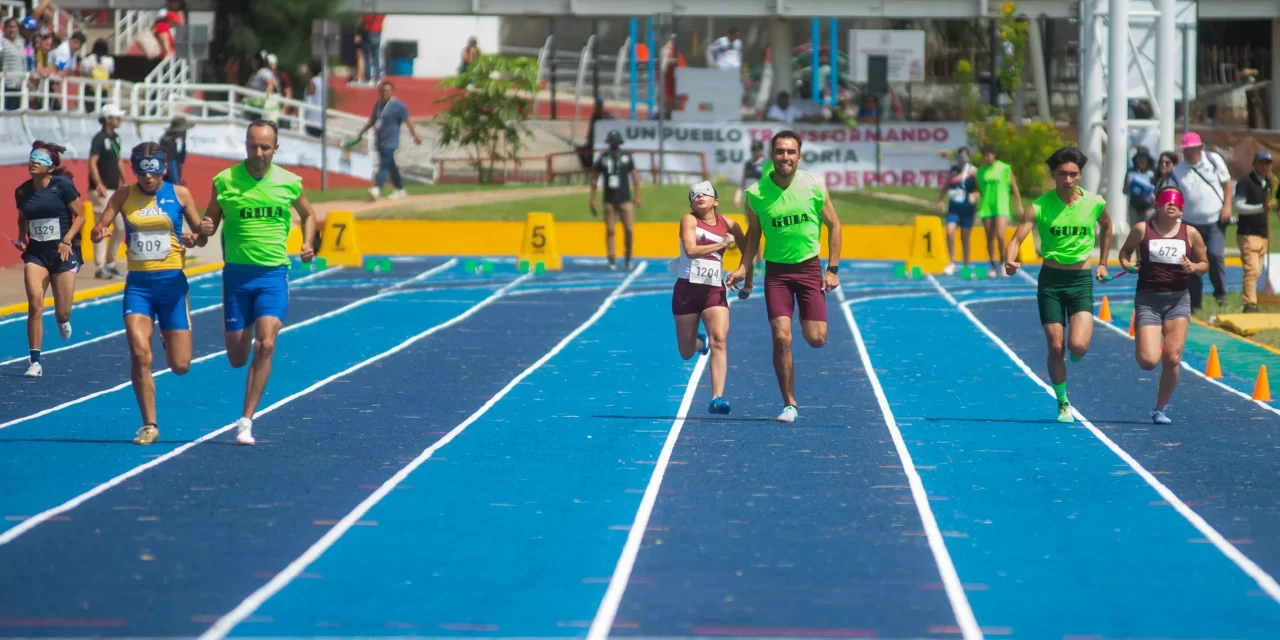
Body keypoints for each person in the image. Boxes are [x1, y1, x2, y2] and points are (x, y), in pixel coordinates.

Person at [198, 120, 317, 446]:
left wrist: (309, 244)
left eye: (265, 147)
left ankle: (245, 421)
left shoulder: (290, 183)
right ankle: (246, 322)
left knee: (266, 343)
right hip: (237, 277)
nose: (259, 152)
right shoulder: (225, 181)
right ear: (246, 145)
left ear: (275, 148)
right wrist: (203, 230)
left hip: (272, 275)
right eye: (253, 146)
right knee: (238, 357)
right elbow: (206, 226)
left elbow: (309, 214)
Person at [727, 130, 843, 423]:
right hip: (776, 274)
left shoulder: (815, 185)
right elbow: (753, 236)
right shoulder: (756, 194)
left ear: (799, 156)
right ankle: (789, 403)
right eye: (780, 152)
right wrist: (744, 267)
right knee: (781, 338)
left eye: (791, 152)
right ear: (772, 155)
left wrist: (832, 268)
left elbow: (835, 225)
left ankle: (807, 315)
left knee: (816, 338)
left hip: (808, 269)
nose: (786, 157)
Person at [91, 142, 202, 445]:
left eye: (153, 173)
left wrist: (196, 237)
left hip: (173, 287)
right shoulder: (124, 195)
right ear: (134, 170)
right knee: (140, 354)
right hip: (139, 287)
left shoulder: (179, 194)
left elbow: (201, 235)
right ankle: (149, 425)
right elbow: (98, 227)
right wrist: (99, 231)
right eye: (142, 173)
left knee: (180, 366)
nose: (148, 179)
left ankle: (168, 334)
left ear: (164, 169)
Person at [1004, 146, 1113, 423]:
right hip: (1051, 282)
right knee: (1055, 347)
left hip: (1080, 280)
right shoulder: (1039, 207)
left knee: (1078, 346)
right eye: (1062, 174)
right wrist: (1009, 260)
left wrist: (1102, 263)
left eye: (1074, 174)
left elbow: (1108, 226)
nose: (1068, 180)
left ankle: (1075, 354)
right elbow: (1017, 238)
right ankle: (1063, 402)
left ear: (1080, 176)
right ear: (1053, 174)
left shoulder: (1094, 202)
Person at [1117, 186, 1207, 425]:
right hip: (1148, 299)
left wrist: (1193, 267)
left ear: (1182, 208)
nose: (1171, 204)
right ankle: (1146, 343)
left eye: (1176, 202)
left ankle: (1160, 408)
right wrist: (1128, 264)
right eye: (1166, 200)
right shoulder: (1142, 230)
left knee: (1172, 357)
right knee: (1148, 361)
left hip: (1177, 299)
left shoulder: (1191, 233)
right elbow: (1124, 252)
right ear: (1156, 204)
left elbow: (1204, 263)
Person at [674, 181, 747, 415]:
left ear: (715, 201)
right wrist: (722, 243)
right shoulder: (689, 220)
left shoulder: (729, 224)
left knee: (720, 339)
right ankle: (698, 342)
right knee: (686, 352)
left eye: (705, 193)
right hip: (687, 289)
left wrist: (746, 274)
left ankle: (717, 397)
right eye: (694, 195)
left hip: (714, 290)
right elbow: (691, 250)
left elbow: (750, 249)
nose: (699, 196)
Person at [13, 141, 84, 378]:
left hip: (63, 254)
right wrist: (21, 238)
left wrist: (67, 240)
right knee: (35, 303)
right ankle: (34, 361)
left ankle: (63, 320)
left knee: (62, 312)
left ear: (51, 168)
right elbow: (22, 218)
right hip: (36, 254)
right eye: (32, 158)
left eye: (40, 160)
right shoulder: (22, 191)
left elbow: (81, 216)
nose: (34, 162)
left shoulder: (63, 186)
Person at [1171, 132, 1231, 310]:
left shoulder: (1214, 161)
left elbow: (1227, 184)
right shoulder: (1177, 171)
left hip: (1215, 220)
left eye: (1192, 149)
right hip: (1190, 224)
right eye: (1186, 150)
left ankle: (1221, 294)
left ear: (1200, 148)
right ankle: (1195, 302)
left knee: (1214, 255)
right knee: (1191, 263)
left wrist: (1227, 206)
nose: (1189, 153)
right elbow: (1174, 197)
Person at [355, 80, 423, 202]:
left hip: (390, 141)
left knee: (384, 165)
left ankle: (377, 189)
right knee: (391, 166)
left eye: (387, 91)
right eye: (382, 91)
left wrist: (415, 136)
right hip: (380, 141)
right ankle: (400, 189)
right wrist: (361, 132)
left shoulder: (398, 105)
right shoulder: (378, 104)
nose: (384, 93)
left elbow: (409, 121)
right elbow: (372, 121)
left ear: (392, 91)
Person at [589, 130, 641, 271]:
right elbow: (594, 178)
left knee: (629, 229)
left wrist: (637, 195)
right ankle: (611, 258)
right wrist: (592, 198)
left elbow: (635, 176)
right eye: (612, 141)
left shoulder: (626, 157)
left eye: (615, 141)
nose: (614, 144)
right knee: (610, 230)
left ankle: (628, 257)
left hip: (625, 199)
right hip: (609, 200)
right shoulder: (603, 158)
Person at [89, 104, 128, 279]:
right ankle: (99, 266)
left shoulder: (117, 138)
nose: (119, 120)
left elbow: (119, 160)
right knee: (101, 226)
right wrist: (98, 184)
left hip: (115, 190)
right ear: (107, 119)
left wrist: (125, 180)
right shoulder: (99, 138)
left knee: (120, 227)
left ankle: (111, 263)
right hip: (102, 191)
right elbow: (92, 162)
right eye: (116, 117)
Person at [1233, 149, 1274, 313]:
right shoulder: (1245, 182)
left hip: (1263, 233)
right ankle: (1250, 304)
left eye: (1268, 163)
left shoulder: (1268, 183)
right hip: (1248, 232)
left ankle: (1253, 301)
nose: (1265, 167)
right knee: (1253, 270)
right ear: (1255, 164)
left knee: (1257, 270)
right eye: (1262, 163)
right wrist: (1260, 208)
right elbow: (1239, 207)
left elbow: (1268, 207)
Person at [976, 144, 1023, 278]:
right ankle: (992, 264)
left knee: (1000, 235)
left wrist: (1019, 204)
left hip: (1001, 205)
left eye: (988, 155)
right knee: (989, 237)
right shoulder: (980, 172)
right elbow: (980, 189)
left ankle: (1003, 262)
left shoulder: (1004, 168)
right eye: (984, 156)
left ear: (994, 155)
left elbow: (1014, 187)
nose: (986, 158)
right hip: (987, 207)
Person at [937, 149, 979, 276]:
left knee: (964, 237)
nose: (962, 160)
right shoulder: (953, 170)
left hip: (967, 207)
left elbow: (979, 189)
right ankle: (952, 262)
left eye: (965, 157)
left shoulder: (973, 171)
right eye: (960, 157)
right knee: (949, 231)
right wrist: (939, 200)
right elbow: (946, 185)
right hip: (954, 206)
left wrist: (974, 196)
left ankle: (966, 265)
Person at [734, 139, 765, 209]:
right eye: (753, 149)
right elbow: (743, 182)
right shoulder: (748, 164)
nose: (754, 152)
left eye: (757, 149)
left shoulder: (765, 164)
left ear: (761, 150)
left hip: (760, 199)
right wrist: (737, 198)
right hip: (748, 199)